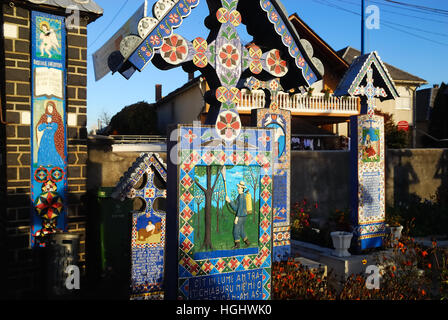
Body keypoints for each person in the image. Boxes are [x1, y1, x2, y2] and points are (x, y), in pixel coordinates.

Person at [36, 101, 65, 167]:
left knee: (51, 149)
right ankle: (42, 163)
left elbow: (59, 127)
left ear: (54, 108)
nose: (49, 109)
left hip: (53, 137)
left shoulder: (57, 116)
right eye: (48, 107)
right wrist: (46, 123)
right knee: (43, 149)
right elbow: (39, 128)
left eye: (51, 107)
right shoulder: (44, 116)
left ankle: (50, 163)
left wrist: (51, 124)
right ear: (46, 108)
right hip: (45, 136)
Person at [225, 181, 251, 249]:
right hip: (243, 216)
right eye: (238, 187)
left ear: (242, 189)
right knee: (241, 230)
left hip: (240, 216)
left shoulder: (241, 197)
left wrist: (237, 217)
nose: (238, 189)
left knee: (236, 230)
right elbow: (236, 208)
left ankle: (237, 244)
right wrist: (229, 201)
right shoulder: (240, 196)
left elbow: (239, 208)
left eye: (239, 188)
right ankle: (247, 242)